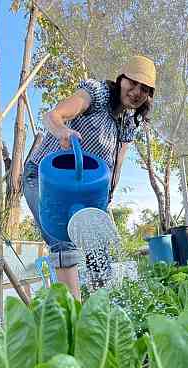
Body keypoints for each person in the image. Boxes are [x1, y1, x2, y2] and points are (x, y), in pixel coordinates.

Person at [23, 55, 156, 299]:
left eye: (144, 89)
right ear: (121, 79)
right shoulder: (97, 93)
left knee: (98, 248)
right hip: (45, 178)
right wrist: (62, 129)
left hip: (83, 188)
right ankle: (74, 315)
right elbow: (54, 115)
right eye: (133, 83)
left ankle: (102, 308)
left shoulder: (127, 123)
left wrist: (106, 198)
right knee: (62, 238)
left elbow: (116, 165)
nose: (136, 92)